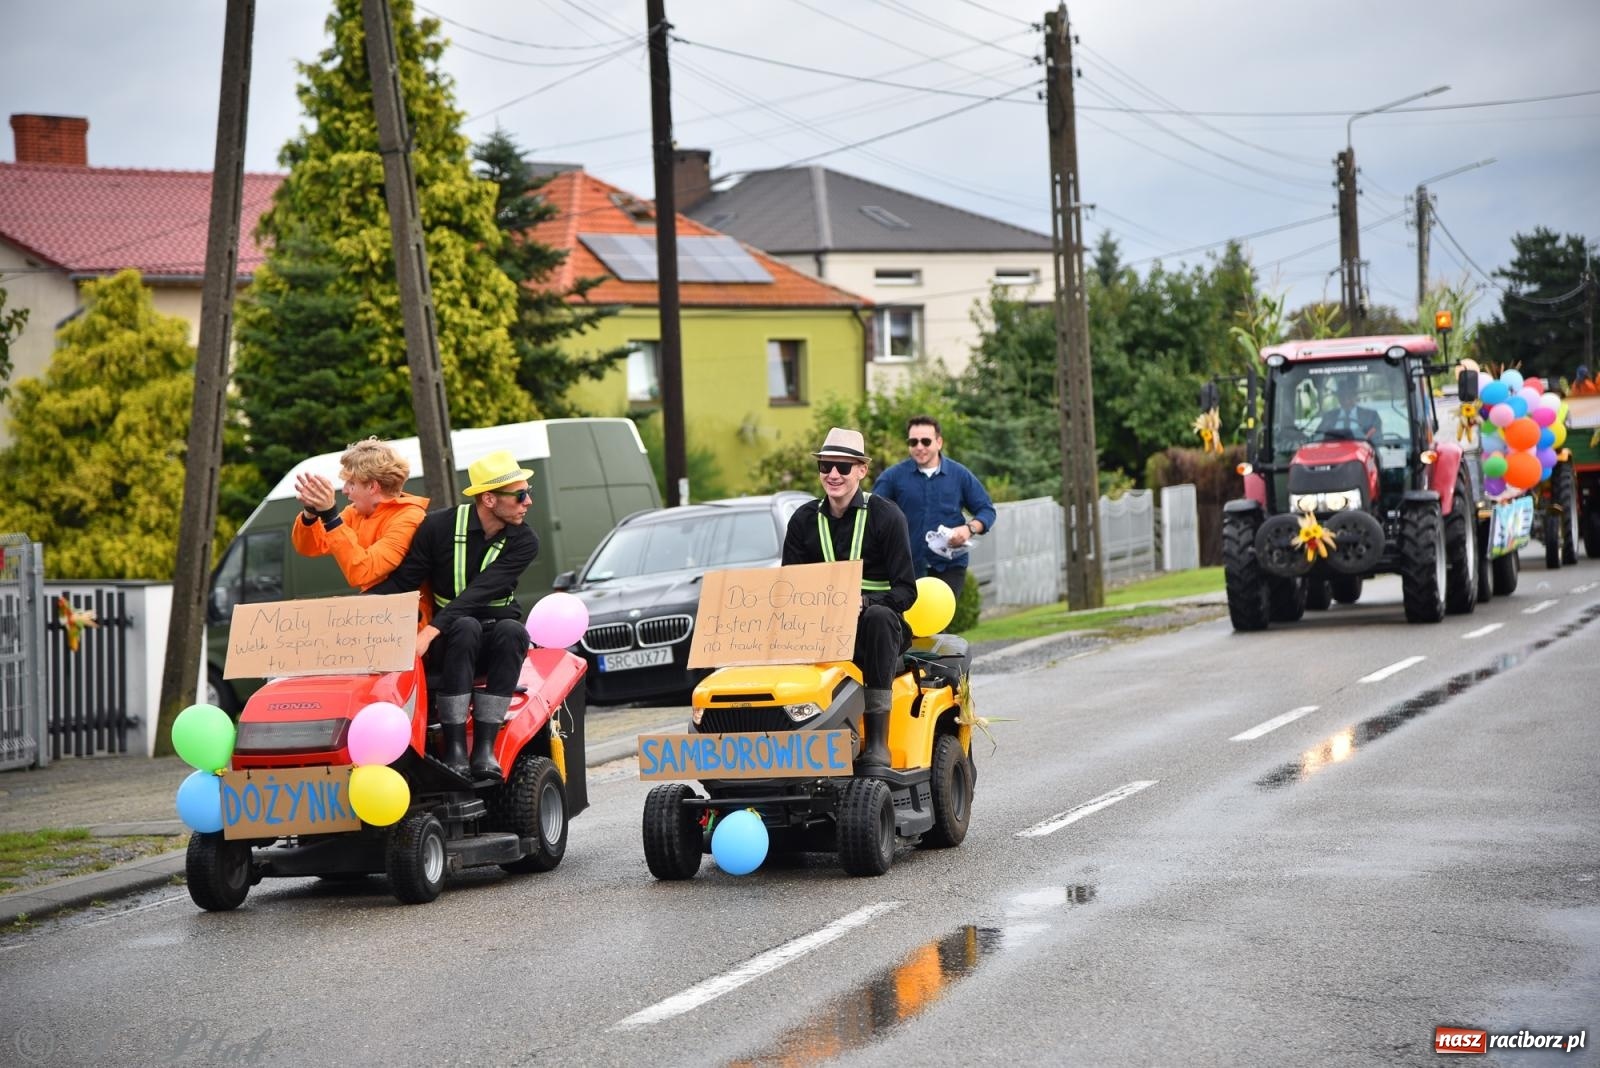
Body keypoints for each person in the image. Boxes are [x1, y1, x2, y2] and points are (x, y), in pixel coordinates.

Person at [370, 449, 538, 779]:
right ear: (489, 499)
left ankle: (486, 749)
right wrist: (349, 611)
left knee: (513, 631)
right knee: (464, 627)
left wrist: (430, 630)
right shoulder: (438, 528)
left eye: (526, 493)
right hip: (453, 643)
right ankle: (456, 748)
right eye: (520, 495)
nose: (528, 502)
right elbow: (405, 581)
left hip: (491, 642)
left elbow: (480, 592)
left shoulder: (525, 540)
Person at [781, 427, 917, 775]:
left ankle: (876, 743)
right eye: (826, 466)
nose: (833, 475)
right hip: (819, 631)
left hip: (875, 632)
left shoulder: (887, 516)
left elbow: (907, 591)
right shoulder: (802, 521)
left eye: (843, 467)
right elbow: (787, 589)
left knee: (879, 620)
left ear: (861, 470)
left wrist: (866, 603)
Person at [290, 438, 431, 618]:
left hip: (407, 625)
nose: (345, 490)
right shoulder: (356, 512)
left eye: (351, 484)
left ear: (372, 486)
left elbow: (363, 571)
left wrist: (331, 517)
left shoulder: (409, 518)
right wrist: (311, 512)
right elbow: (310, 547)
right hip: (373, 616)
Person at [870, 415, 996, 601]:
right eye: (913, 442)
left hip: (949, 567)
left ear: (939, 442)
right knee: (907, 624)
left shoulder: (959, 475)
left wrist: (969, 529)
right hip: (906, 567)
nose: (919, 447)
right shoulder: (892, 477)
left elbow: (986, 510)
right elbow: (873, 514)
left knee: (939, 623)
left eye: (925, 441)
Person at [1315, 377, 1381, 441]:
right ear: (1338, 397)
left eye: (1349, 396)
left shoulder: (1371, 416)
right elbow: (1317, 437)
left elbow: (1376, 440)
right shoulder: (1329, 417)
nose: (1346, 401)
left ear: (1355, 396)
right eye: (1342, 396)